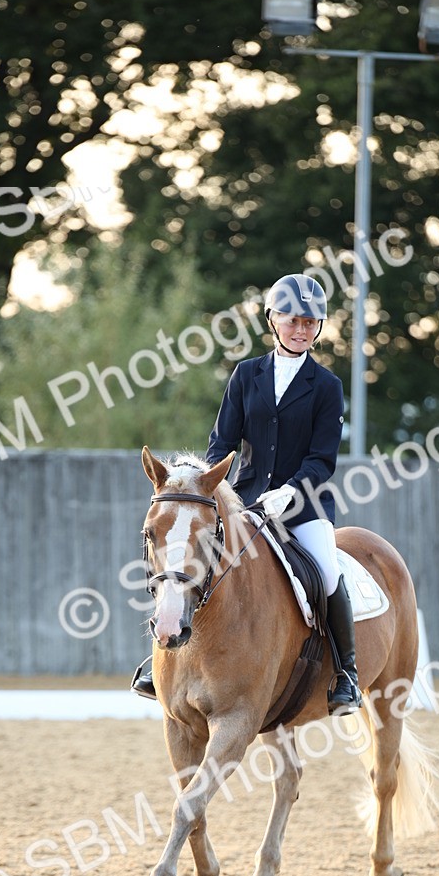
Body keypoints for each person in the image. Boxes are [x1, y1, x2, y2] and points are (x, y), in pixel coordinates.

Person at [132, 272, 361, 712]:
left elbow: (323, 460)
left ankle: (345, 673)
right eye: (292, 320)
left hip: (303, 507)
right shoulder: (246, 374)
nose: (301, 330)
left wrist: (290, 492)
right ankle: (161, 658)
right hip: (244, 502)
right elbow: (222, 442)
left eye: (310, 323)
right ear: (273, 320)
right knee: (187, 560)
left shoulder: (327, 387)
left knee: (329, 574)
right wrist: (206, 480)